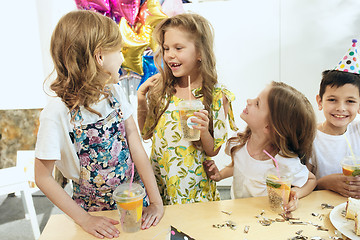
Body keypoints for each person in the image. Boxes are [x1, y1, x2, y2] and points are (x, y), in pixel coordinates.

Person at [34, 10, 163, 239]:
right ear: (99, 57)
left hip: (133, 203)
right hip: (91, 216)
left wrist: (155, 201)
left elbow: (135, 143)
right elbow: (43, 177)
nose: (123, 59)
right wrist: (84, 219)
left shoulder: (114, 92)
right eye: (120, 51)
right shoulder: (56, 113)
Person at [137, 13, 238, 205]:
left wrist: (203, 131)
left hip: (194, 188)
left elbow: (213, 150)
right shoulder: (162, 89)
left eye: (178, 48)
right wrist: (141, 99)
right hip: (161, 184)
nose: (169, 55)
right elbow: (145, 134)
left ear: (200, 52)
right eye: (166, 48)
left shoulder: (217, 96)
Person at [204, 81, 317, 213]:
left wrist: (296, 193)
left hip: (265, 217)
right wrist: (220, 175)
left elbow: (311, 180)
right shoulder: (238, 142)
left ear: (269, 127)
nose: (249, 101)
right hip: (237, 212)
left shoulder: (283, 161)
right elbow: (239, 167)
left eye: (257, 103)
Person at [307, 39, 360, 198]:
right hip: (320, 207)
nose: (341, 108)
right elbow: (301, 183)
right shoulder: (310, 138)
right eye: (332, 100)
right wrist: (324, 182)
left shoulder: (357, 130)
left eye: (350, 101)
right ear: (320, 101)